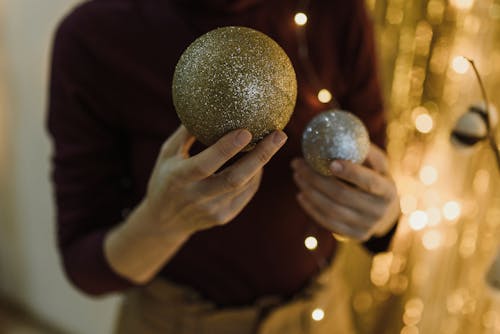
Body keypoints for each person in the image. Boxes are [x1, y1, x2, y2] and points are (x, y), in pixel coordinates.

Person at [47, 0, 400, 333]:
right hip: (172, 322)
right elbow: (85, 267)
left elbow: (374, 179)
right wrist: (162, 223)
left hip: (316, 317)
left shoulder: (334, 11)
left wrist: (381, 215)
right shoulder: (95, 36)